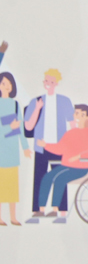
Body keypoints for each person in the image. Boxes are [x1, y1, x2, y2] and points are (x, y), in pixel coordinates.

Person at [32, 104, 88, 223]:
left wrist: (79, 156)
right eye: (77, 114)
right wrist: (46, 145)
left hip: (81, 168)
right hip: (65, 166)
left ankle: (55, 209)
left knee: (60, 179)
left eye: (82, 114)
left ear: (87, 117)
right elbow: (60, 148)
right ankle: (41, 209)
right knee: (47, 177)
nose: (78, 116)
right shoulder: (70, 133)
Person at [23, 68, 73, 222]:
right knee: (40, 178)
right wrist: (37, 109)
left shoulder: (64, 101)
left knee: (60, 178)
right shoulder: (35, 101)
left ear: (56, 83)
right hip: (41, 147)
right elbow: (29, 127)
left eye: (52, 81)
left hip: (60, 147)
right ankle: (39, 210)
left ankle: (61, 211)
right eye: (46, 81)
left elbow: (73, 125)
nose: (48, 84)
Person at [0, 63, 33, 226]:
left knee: (11, 186)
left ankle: (13, 216)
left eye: (9, 83)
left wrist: (25, 147)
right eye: (4, 83)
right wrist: (7, 125)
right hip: (0, 148)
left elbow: (20, 126)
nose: (7, 86)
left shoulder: (15, 105)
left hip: (12, 149)